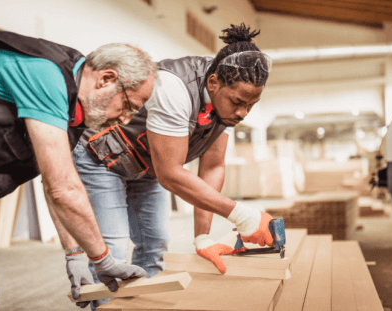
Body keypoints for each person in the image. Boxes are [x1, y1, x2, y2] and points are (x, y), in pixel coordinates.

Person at [74, 23, 273, 309]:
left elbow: (213, 166)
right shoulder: (175, 87)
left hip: (145, 166)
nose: (242, 113)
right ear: (214, 83)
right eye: (238, 103)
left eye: (251, 106)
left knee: (155, 245)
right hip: (102, 157)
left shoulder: (227, 100)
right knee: (113, 251)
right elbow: (171, 174)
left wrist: (202, 237)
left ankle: (141, 306)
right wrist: (243, 216)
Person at [0, 31, 157, 310]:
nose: (125, 119)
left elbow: (51, 183)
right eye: (128, 106)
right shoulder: (46, 74)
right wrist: (102, 260)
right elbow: (62, 187)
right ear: (106, 79)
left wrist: (75, 254)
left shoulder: (74, 106)